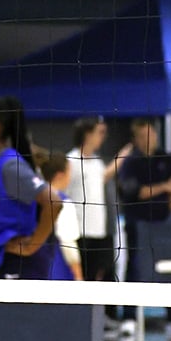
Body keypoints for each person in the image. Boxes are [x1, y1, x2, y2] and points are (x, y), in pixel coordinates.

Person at [0, 96, 65, 280]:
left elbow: (54, 202)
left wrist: (32, 245)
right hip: (0, 258)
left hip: (21, 264)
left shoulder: (10, 165)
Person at [116, 116, 171, 341]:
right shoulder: (131, 162)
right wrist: (163, 187)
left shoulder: (167, 158)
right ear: (136, 138)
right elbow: (137, 192)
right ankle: (130, 318)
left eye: (151, 134)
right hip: (138, 224)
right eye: (143, 135)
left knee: (170, 269)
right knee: (135, 267)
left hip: (164, 224)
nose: (148, 139)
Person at [65, 116, 126, 285]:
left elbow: (104, 176)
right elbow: (61, 194)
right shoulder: (71, 161)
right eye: (100, 132)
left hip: (100, 232)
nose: (103, 136)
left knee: (106, 276)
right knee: (84, 279)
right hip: (80, 233)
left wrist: (122, 156)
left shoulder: (97, 162)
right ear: (87, 134)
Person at [40, 153, 82, 281]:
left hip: (33, 268)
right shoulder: (63, 202)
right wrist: (78, 274)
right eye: (69, 172)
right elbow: (67, 242)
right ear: (60, 175)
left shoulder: (33, 196)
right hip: (57, 270)